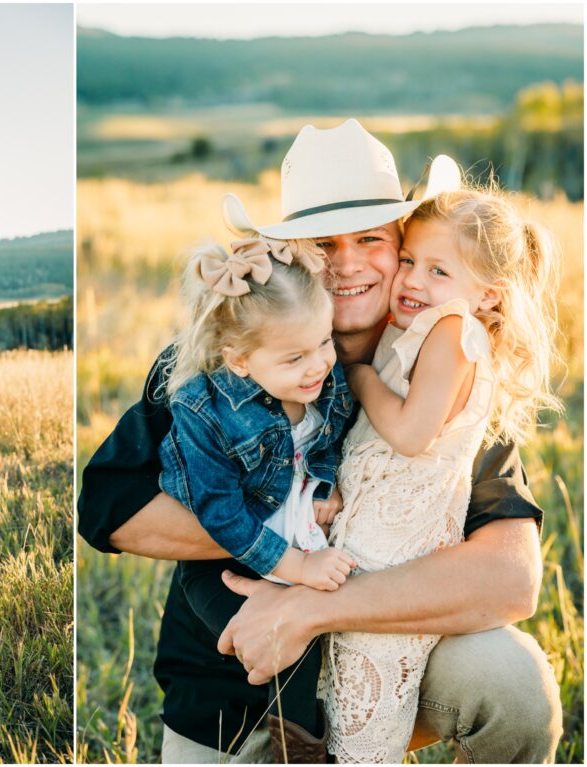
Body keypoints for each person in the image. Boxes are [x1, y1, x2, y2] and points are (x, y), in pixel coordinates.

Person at [78, 120, 562, 763]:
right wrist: (291, 525)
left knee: (516, 685)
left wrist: (314, 606)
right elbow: (111, 508)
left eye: (372, 239)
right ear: (291, 253)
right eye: (323, 243)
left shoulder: (445, 368)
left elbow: (512, 579)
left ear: (404, 249)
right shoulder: (227, 359)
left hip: (391, 656)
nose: (350, 262)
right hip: (236, 679)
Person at [321, 185, 560, 762]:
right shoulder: (431, 330)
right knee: (349, 690)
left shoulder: (453, 332)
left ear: (486, 295)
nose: (412, 281)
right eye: (409, 261)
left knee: (365, 707)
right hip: (372, 544)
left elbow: (409, 434)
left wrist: (357, 376)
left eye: (437, 270)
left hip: (393, 552)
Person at [158, 228, 355, 760]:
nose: (317, 365)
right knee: (264, 644)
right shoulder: (203, 412)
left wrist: (325, 481)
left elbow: (330, 432)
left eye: (324, 343)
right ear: (239, 360)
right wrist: (296, 570)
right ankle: (258, 741)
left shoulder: (324, 380)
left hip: (290, 534)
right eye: (294, 358)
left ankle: (300, 749)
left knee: (302, 644)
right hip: (224, 560)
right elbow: (221, 517)